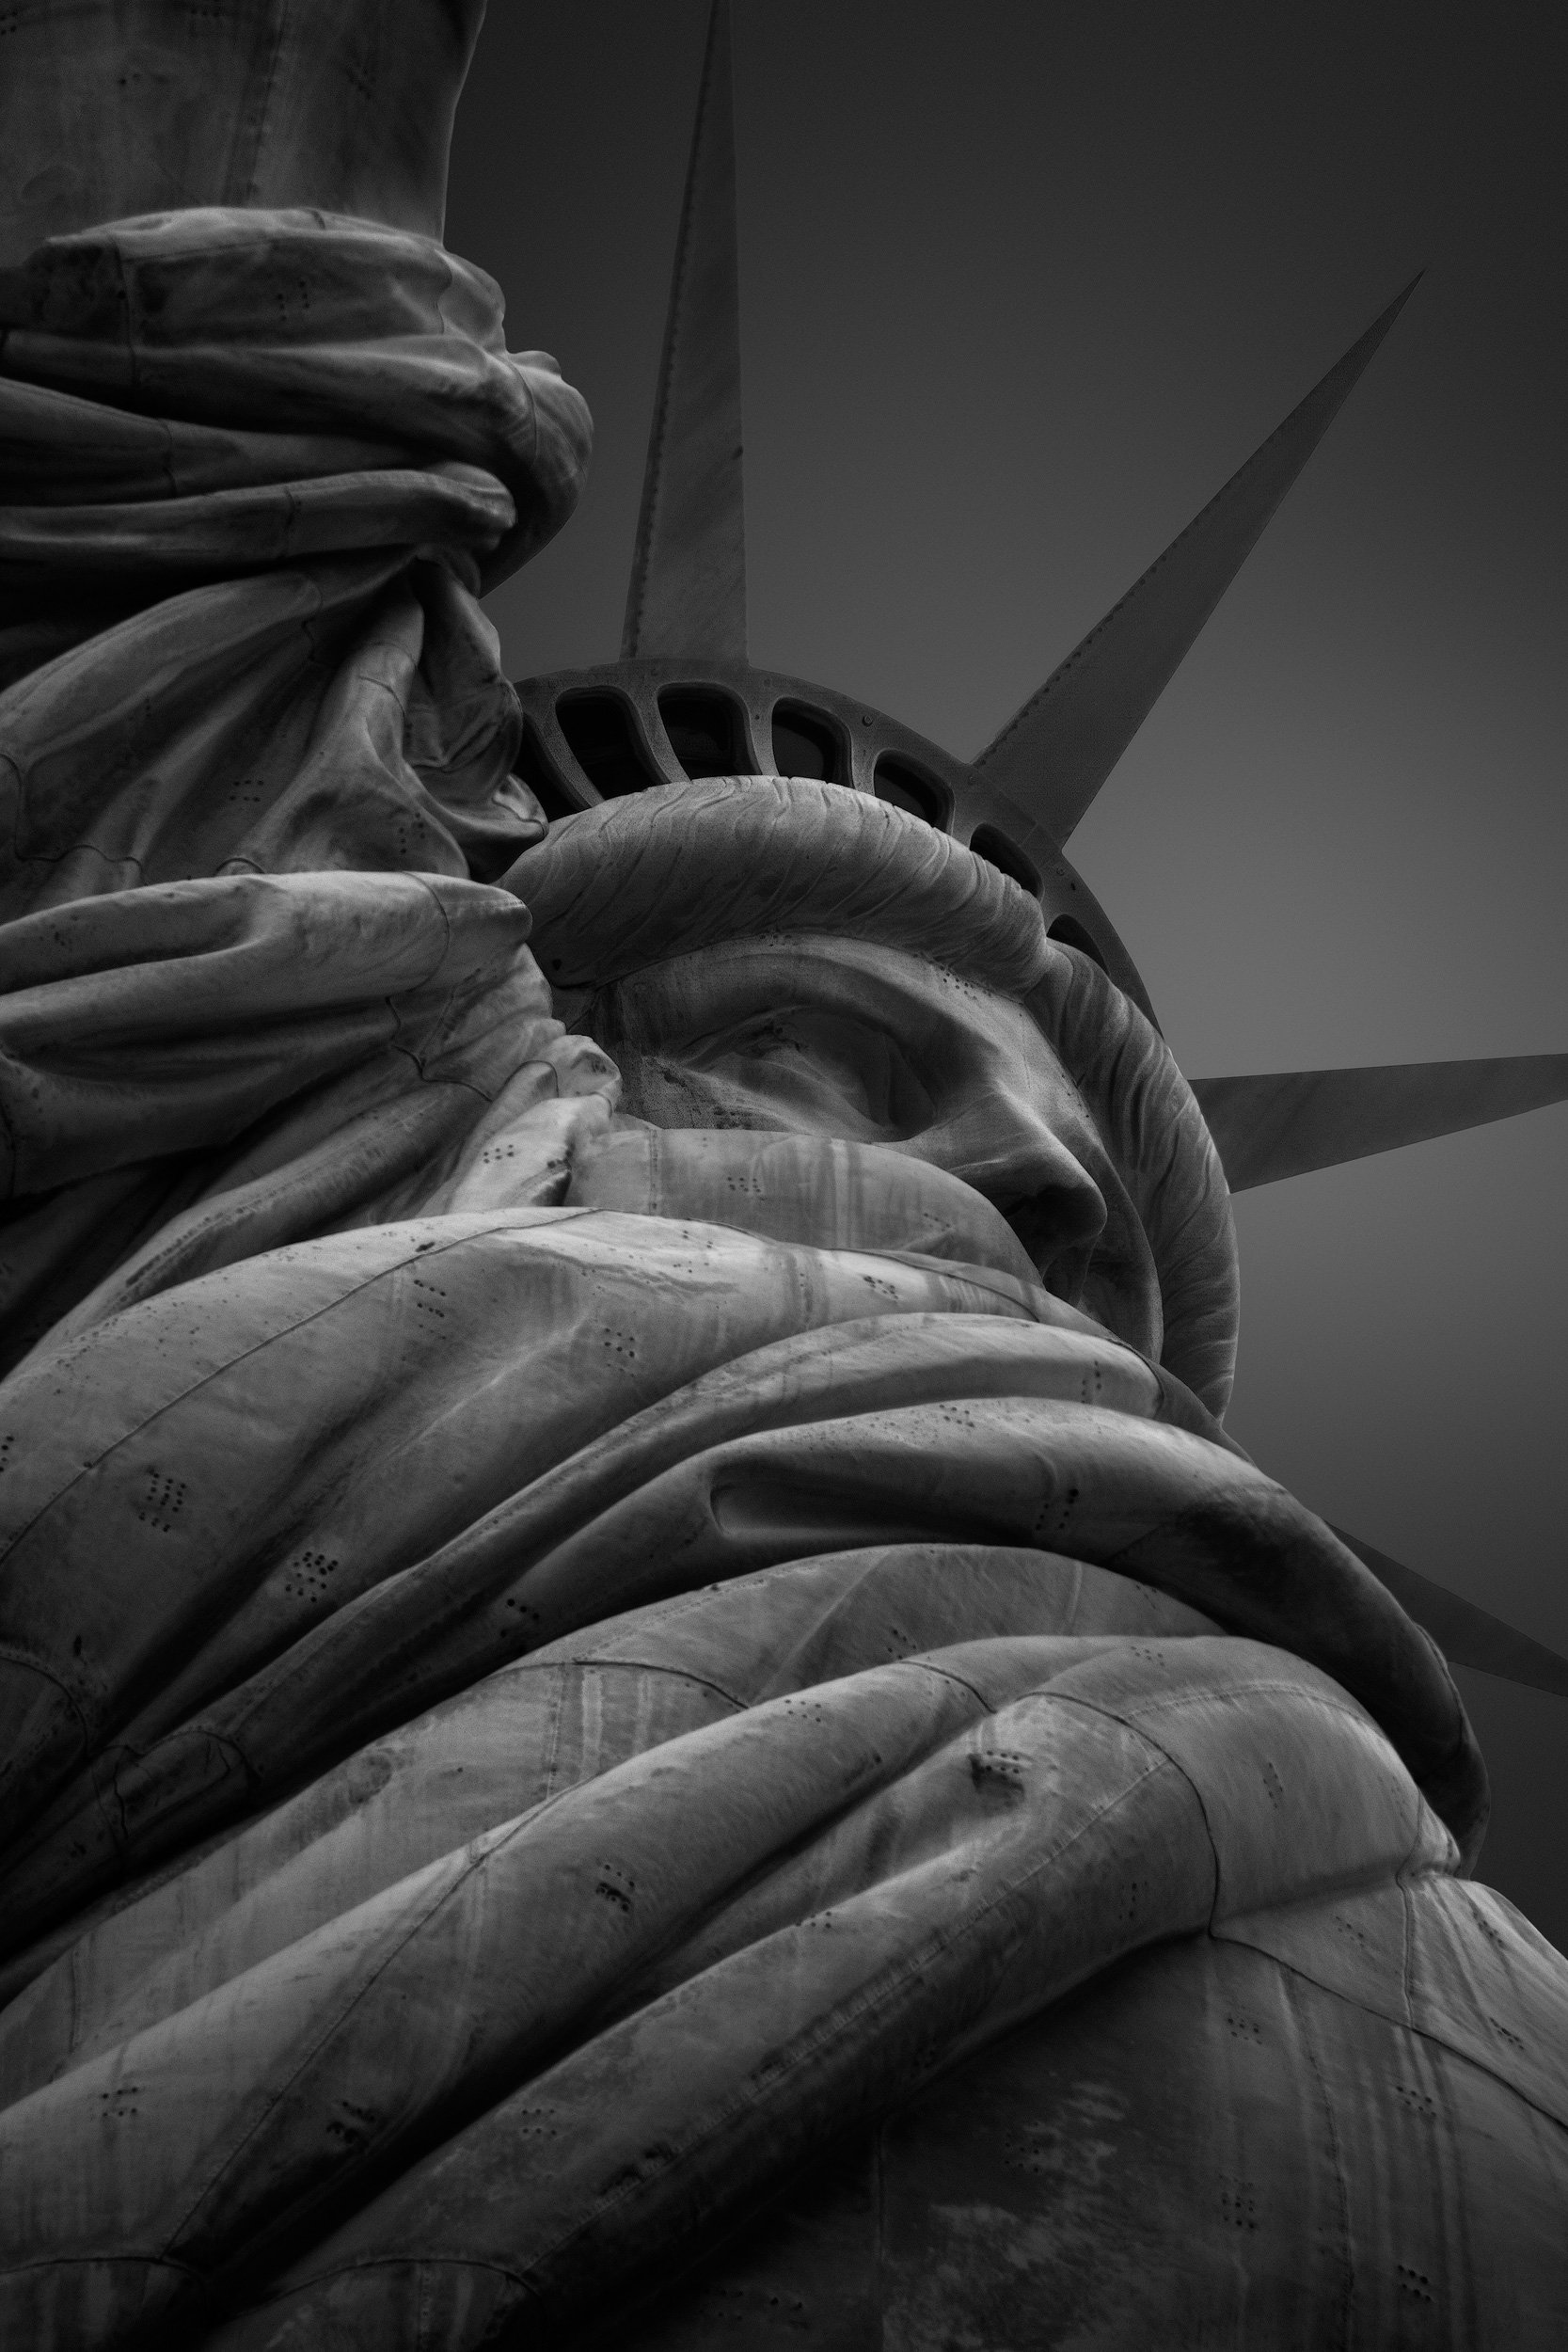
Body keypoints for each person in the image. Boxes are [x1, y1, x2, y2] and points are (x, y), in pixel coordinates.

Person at [0, 6, 1563, 2347]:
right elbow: (193, 447)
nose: (1026, 1178)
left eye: (1100, 1226)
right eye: (829, 1046)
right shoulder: (300, 1162)